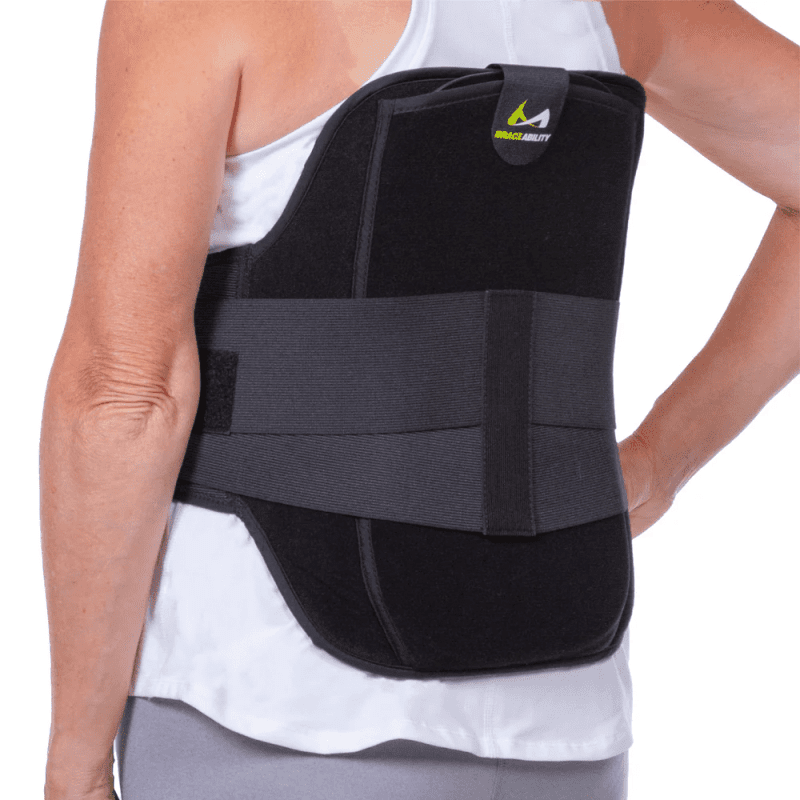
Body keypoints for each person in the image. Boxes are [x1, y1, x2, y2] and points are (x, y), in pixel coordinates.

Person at [40, 1, 798, 799]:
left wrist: (74, 768)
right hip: (565, 719)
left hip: (280, 707)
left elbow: (123, 395)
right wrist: (660, 461)